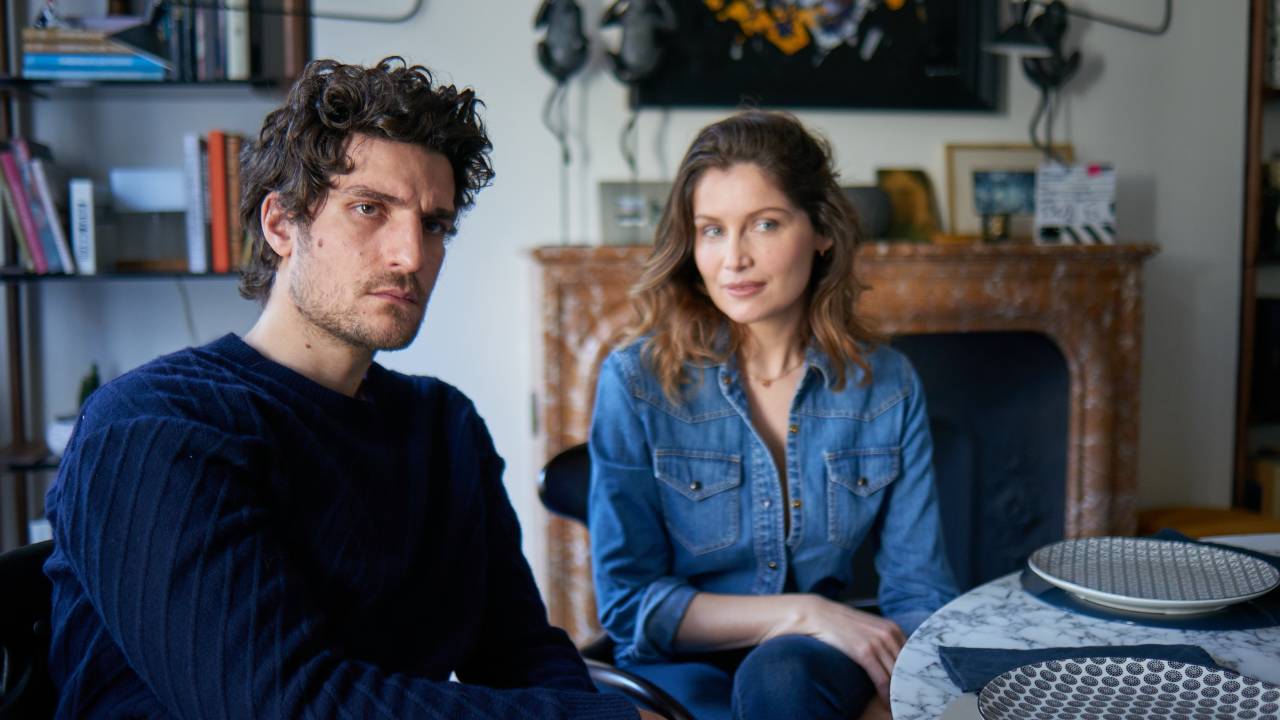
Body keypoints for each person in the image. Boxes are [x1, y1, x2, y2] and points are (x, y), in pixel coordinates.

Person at [43, 57, 649, 719]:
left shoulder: (443, 426)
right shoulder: (155, 426)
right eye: (370, 209)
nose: (411, 255)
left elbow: (520, 652)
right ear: (281, 226)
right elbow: (280, 705)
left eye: (434, 224)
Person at [588, 110, 958, 720]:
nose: (733, 259)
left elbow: (921, 592)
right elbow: (631, 604)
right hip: (679, 668)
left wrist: (888, 701)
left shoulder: (886, 386)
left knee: (782, 670)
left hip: (810, 664)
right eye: (711, 230)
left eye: (764, 224)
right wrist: (804, 611)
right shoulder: (637, 382)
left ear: (821, 231)